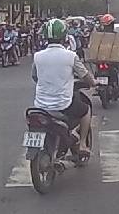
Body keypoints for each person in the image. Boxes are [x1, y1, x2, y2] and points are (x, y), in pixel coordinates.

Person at [31, 18, 95, 158]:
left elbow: (35, 77)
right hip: (63, 105)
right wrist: (93, 83)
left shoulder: (38, 56)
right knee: (85, 110)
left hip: (40, 106)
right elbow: (85, 76)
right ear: (64, 37)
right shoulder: (71, 56)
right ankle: (82, 144)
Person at [95, 14, 119, 93]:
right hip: (111, 60)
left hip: (101, 59)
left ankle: (98, 85)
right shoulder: (116, 36)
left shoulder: (98, 35)